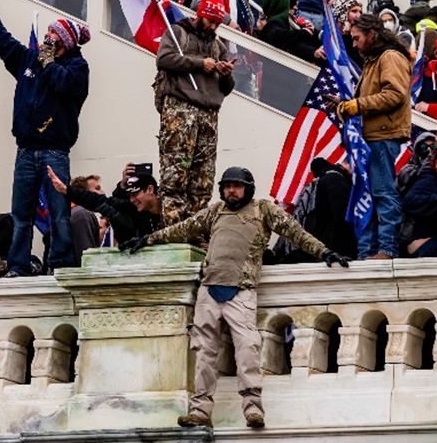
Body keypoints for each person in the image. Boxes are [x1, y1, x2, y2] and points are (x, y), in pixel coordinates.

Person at [120, 166, 349, 429]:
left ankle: (253, 410)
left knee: (248, 350)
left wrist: (324, 252)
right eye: (227, 185)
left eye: (236, 185)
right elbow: (183, 229)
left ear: (248, 187)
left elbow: (295, 233)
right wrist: (148, 239)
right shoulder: (216, 211)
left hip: (241, 290)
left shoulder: (263, 209)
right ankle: (200, 412)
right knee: (204, 353)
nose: (231, 190)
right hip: (209, 289)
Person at [0, 0, 89, 276]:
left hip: (55, 151)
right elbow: (3, 42)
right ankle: (18, 265)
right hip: (25, 149)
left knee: (59, 212)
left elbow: (64, 85)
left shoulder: (78, 67)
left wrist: (48, 62)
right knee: (20, 215)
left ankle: (60, 264)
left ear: (66, 41)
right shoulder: (28, 60)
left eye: (53, 33)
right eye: (47, 32)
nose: (48, 37)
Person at [335, 14, 411, 260]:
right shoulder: (373, 60)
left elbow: (395, 95)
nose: (354, 44)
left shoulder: (390, 57)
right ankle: (367, 251)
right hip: (369, 138)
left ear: (371, 34)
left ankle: (387, 249)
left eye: (357, 38)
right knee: (366, 196)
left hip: (382, 137)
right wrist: (345, 105)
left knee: (382, 192)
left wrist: (358, 105)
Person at [154, 0, 235, 226]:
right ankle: (173, 227)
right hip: (181, 110)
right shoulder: (179, 32)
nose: (213, 27)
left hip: (209, 115)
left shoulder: (219, 46)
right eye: (210, 21)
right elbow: (164, 59)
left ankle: (196, 229)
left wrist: (225, 73)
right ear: (200, 14)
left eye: (217, 24)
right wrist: (200, 64)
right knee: (175, 173)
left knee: (203, 179)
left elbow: (227, 89)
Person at [48, 165, 162, 247]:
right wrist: (66, 190)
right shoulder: (131, 209)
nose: (132, 200)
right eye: (130, 195)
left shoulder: (176, 207)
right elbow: (98, 201)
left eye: (136, 194)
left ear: (150, 189)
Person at [258, 0, 323, 64]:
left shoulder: (289, 28)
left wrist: (314, 33)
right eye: (294, 10)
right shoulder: (271, 27)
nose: (295, 15)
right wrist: (304, 33)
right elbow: (284, 40)